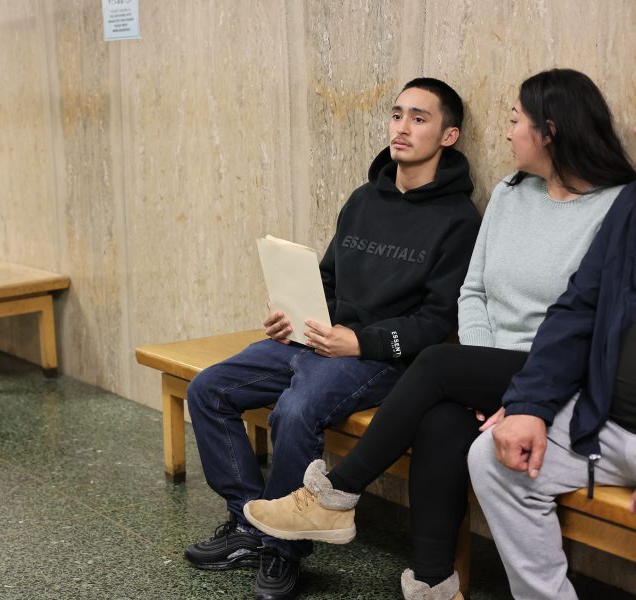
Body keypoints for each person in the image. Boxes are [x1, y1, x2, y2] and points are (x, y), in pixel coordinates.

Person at [242, 68, 636, 600]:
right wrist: (483, 370)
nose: (507, 132)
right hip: (488, 364)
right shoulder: (511, 193)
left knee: (437, 368)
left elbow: (588, 322)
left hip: (555, 370)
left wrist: (510, 389)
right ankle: (433, 583)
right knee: (442, 415)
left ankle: (334, 495)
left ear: (551, 130)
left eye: (516, 121)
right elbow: (472, 292)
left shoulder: (617, 208)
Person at [184, 78, 481, 600]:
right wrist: (289, 316)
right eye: (396, 115)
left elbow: (439, 321)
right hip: (314, 338)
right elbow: (325, 277)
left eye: (419, 118)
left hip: (378, 358)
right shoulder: (365, 198)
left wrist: (359, 343)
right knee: (209, 389)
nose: (402, 128)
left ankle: (285, 552)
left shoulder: (459, 221)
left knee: (297, 411)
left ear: (449, 135)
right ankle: (254, 527)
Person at [466, 189, 636, 598]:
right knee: (493, 458)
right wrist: (529, 406)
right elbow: (579, 306)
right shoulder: (632, 203)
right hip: (603, 419)